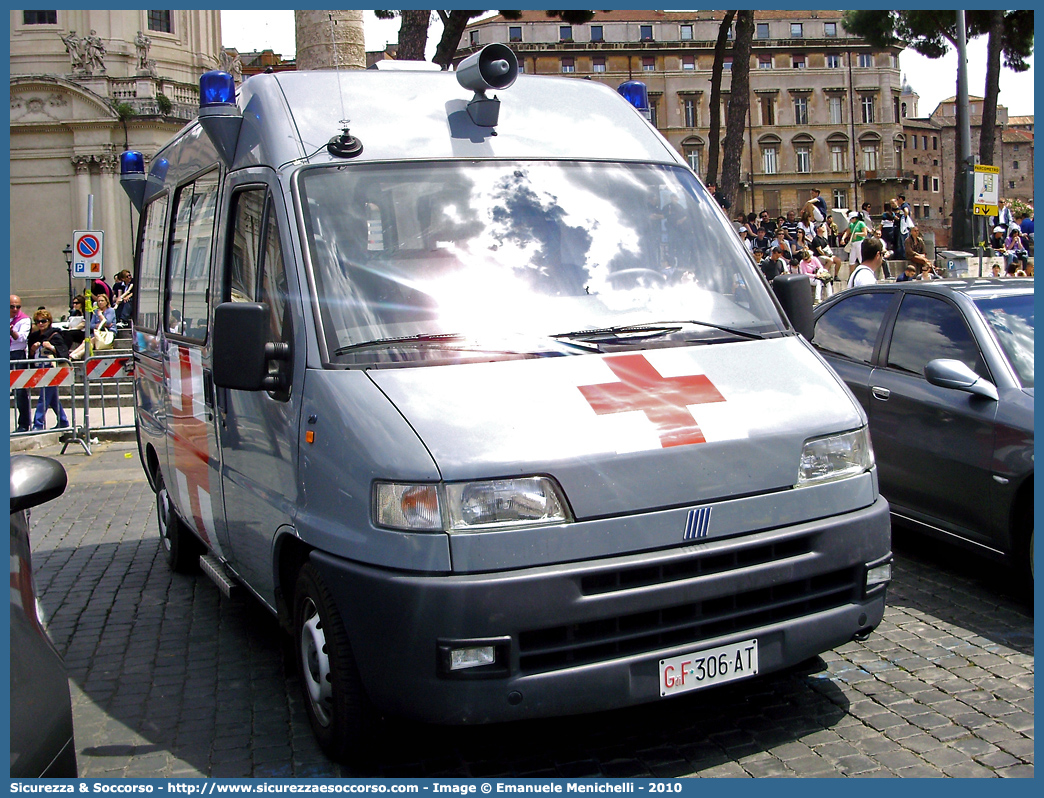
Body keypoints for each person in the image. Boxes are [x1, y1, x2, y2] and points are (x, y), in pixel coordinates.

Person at [26, 309, 70, 430]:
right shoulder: (34, 336)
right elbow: (30, 354)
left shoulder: (55, 335)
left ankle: (38, 424)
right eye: (38, 321)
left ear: (49, 321)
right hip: (39, 368)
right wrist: (33, 349)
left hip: (51, 369)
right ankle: (63, 421)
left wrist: (50, 347)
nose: (41, 324)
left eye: (43, 321)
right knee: (52, 397)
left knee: (44, 397)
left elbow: (64, 353)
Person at [10, 294, 31, 432]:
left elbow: (21, 338)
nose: (15, 309)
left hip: (16, 354)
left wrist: (11, 331)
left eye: (18, 306)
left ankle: (24, 423)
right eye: (12, 306)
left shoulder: (24, 320)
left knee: (19, 390)